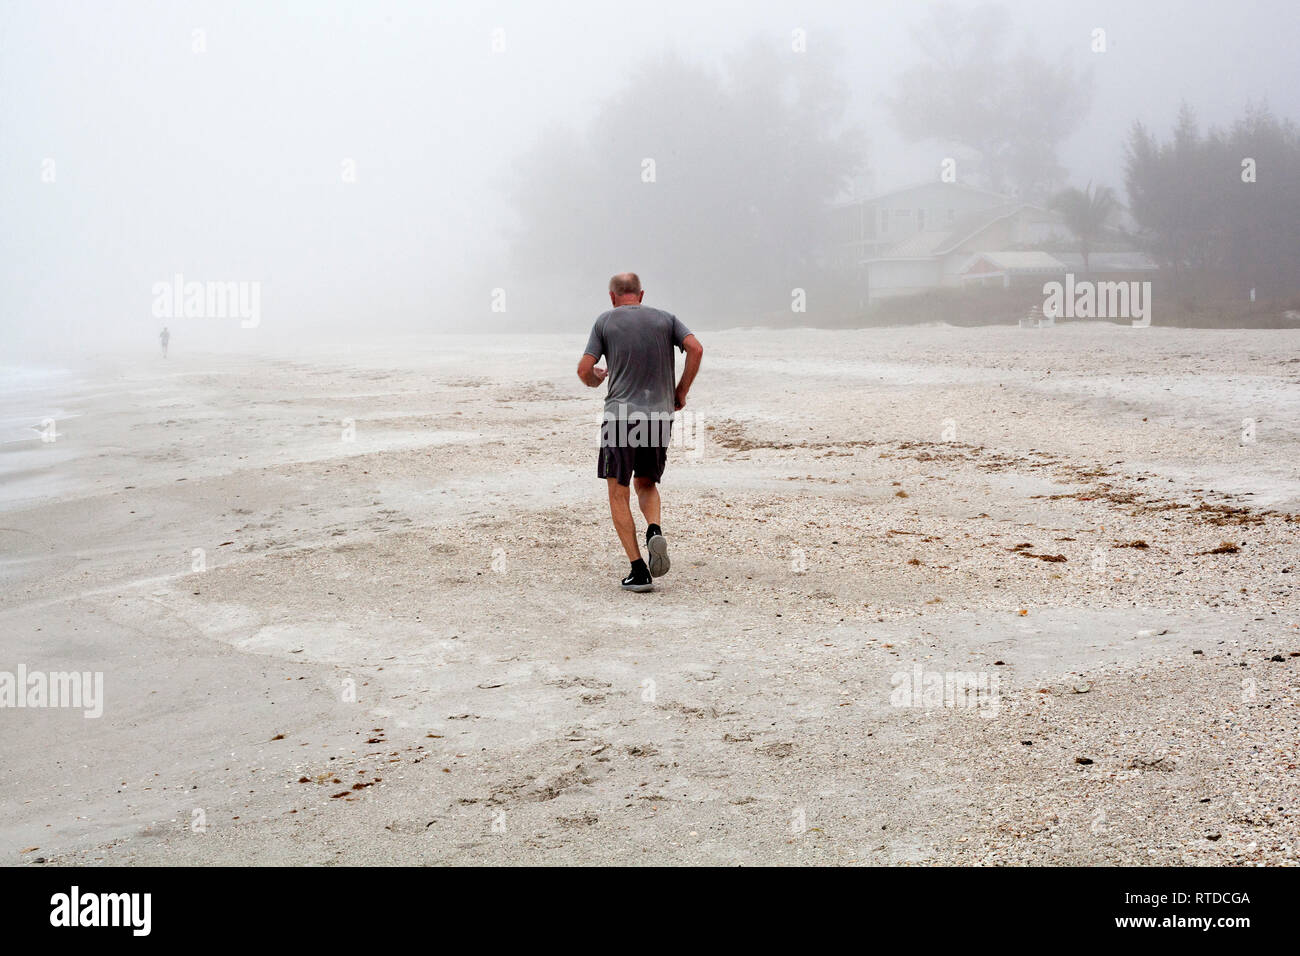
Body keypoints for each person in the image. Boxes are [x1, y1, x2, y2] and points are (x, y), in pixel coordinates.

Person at [577, 272, 703, 592]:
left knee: (618, 490)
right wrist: (681, 391)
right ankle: (654, 530)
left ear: (612, 296)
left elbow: (583, 371)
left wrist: (597, 377)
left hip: (620, 418)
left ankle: (639, 570)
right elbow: (696, 348)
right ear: (641, 294)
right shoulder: (666, 319)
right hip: (660, 415)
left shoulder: (605, 322)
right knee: (645, 482)